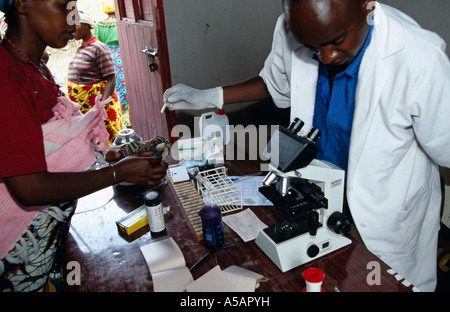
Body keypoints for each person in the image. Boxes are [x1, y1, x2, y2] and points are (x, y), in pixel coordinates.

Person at [164, 0, 450, 291]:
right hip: (316, 195)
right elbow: (276, 84)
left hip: (385, 217)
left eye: (336, 41)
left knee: (383, 285)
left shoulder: (420, 60)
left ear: (367, 4)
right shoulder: (294, 27)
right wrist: (214, 96)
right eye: (313, 47)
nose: (325, 57)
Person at [0, 0, 168, 292]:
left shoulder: (34, 67)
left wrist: (117, 157)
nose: (73, 17)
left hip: (52, 240)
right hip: (19, 256)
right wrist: (118, 174)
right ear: (23, 3)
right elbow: (29, 188)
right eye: (63, 4)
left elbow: (52, 151)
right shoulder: (8, 81)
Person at [67, 11, 123, 145]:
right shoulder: (83, 47)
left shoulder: (99, 47)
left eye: (76, 25)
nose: (72, 29)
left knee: (106, 139)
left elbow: (111, 79)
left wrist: (101, 106)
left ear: (86, 27)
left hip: (97, 104)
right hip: (85, 105)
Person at [94, 0, 128, 111]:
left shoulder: (100, 25)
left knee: (111, 80)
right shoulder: (119, 23)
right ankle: (125, 104)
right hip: (120, 54)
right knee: (122, 79)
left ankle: (117, 106)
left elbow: (96, 39)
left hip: (105, 54)